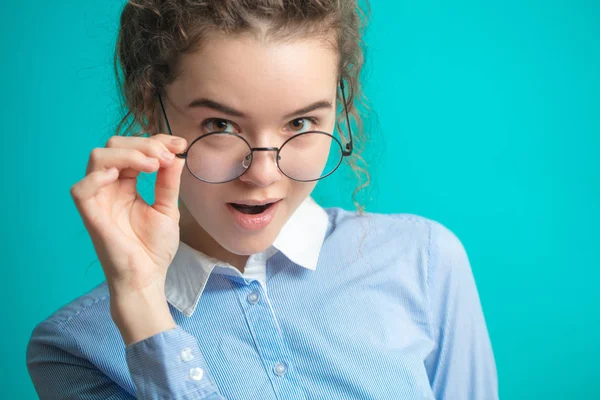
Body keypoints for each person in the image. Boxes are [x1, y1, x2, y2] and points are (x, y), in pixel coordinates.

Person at [26, 0, 498, 399]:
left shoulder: (425, 260)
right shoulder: (74, 349)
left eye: (300, 124)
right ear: (153, 108)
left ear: (341, 109)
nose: (264, 175)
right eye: (220, 126)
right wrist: (144, 312)